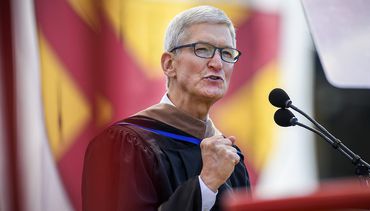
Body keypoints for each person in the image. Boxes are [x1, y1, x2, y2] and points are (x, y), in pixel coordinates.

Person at [82, 5, 250, 211]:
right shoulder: (125, 145)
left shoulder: (229, 156)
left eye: (226, 53)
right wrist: (205, 186)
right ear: (169, 64)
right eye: (203, 49)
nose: (217, 63)